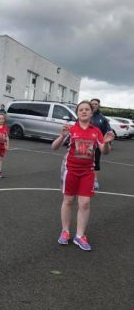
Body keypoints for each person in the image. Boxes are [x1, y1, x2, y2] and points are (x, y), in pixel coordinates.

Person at [51, 100, 114, 251]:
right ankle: (65, 231)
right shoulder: (71, 129)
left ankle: (80, 235)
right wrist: (61, 136)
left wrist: (105, 143)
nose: (84, 111)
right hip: (70, 170)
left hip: (87, 172)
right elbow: (54, 147)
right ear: (77, 113)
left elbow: (105, 152)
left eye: (87, 109)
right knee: (68, 201)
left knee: (85, 203)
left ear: (91, 113)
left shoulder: (96, 131)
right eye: (81, 110)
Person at [90, 98, 111, 190]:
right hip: (84, 143)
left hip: (97, 144)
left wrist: (107, 142)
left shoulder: (102, 118)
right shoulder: (86, 115)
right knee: (82, 160)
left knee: (96, 162)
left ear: (98, 105)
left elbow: (108, 130)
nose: (94, 105)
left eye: (96, 104)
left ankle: (95, 180)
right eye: (92, 104)